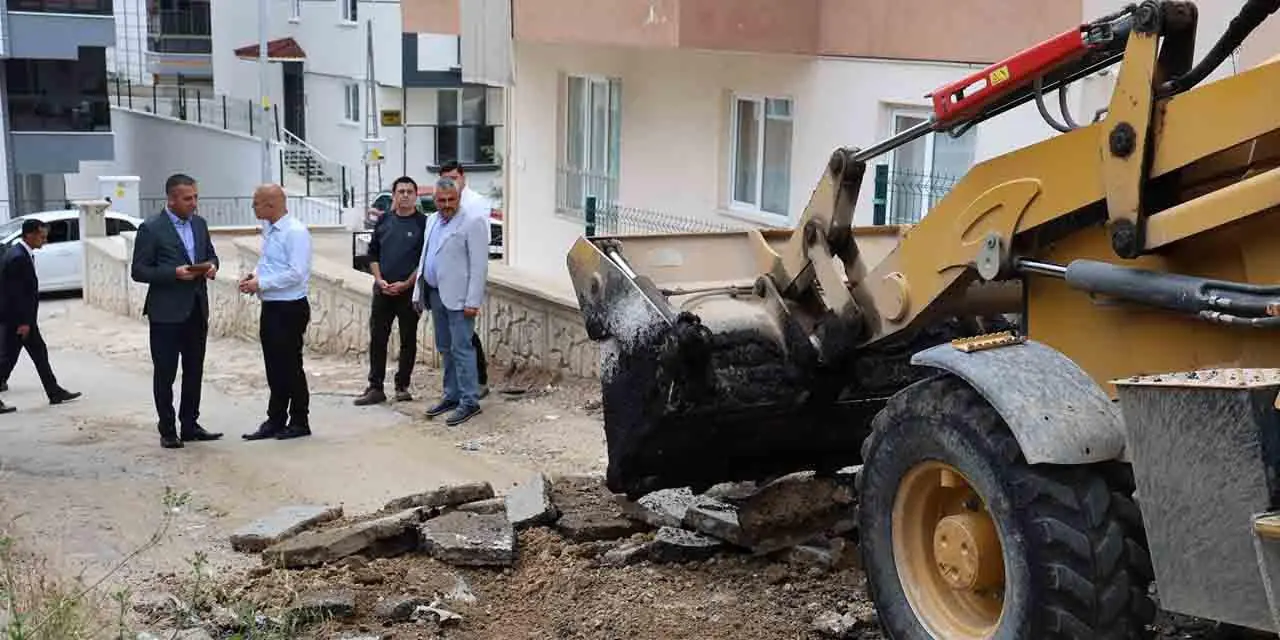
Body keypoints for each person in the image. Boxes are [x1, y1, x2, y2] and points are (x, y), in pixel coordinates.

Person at [131, 173, 223, 449]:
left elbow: (211, 254)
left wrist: (212, 266)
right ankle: (168, 429)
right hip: (166, 314)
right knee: (165, 373)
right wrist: (174, 273)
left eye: (195, 197)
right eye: (187, 199)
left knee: (194, 371)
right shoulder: (151, 228)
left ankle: (190, 425)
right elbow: (139, 270)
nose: (193, 203)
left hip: (196, 309)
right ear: (171, 200)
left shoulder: (199, 224)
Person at [412, 177, 489, 426]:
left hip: (460, 298)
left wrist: (473, 301)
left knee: (462, 348)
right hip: (436, 293)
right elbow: (425, 256)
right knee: (445, 347)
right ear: (434, 200)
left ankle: (470, 400)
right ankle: (451, 395)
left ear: (458, 198)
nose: (446, 204)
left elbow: (479, 266)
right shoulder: (432, 220)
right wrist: (418, 292)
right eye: (442, 200)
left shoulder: (472, 222)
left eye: (451, 199)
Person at [240, 184, 314, 441]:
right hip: (271, 306)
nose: (253, 207)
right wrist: (254, 276)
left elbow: (296, 273)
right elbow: (269, 262)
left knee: (290, 365)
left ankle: (300, 419)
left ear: (270, 204)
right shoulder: (270, 230)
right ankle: (276, 419)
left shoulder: (295, 232)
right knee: (274, 366)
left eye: (256, 202)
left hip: (289, 307)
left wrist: (261, 283)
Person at [354, 176, 427, 406]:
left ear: (415, 195)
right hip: (383, 291)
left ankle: (402, 386)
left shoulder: (423, 224)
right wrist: (379, 280)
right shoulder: (384, 220)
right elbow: (373, 253)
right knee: (378, 338)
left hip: (409, 292)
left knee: (408, 339)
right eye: (400, 191)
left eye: (409, 192)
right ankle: (375, 387)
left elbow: (425, 261)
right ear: (394, 195)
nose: (405, 195)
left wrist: (406, 283)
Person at [0, 218, 81, 412]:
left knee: (39, 353)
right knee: (7, 360)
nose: (44, 240)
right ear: (30, 235)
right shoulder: (18, 258)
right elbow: (16, 294)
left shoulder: (21, 253)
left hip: (25, 319)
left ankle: (54, 392)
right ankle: (53, 391)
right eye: (41, 236)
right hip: (17, 320)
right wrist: (23, 322)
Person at [439, 161, 490, 396]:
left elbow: (478, 251)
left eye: (454, 178)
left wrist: (473, 296)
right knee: (449, 343)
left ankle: (475, 386)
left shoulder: (475, 205)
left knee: (465, 340)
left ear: (463, 178)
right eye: (445, 179)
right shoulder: (438, 212)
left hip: (464, 283)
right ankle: (454, 391)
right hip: (444, 286)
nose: (450, 183)